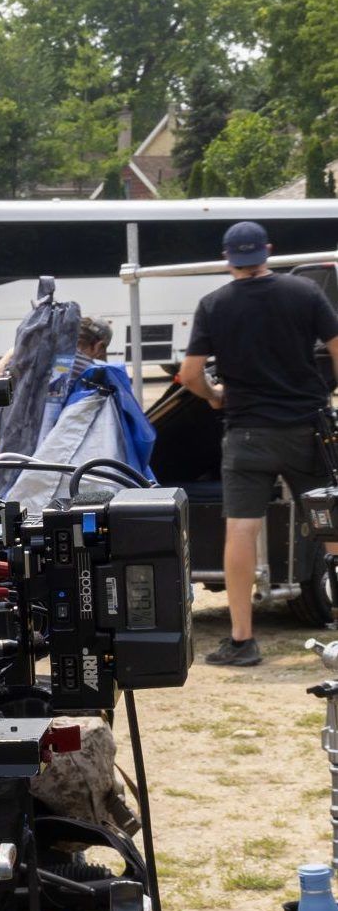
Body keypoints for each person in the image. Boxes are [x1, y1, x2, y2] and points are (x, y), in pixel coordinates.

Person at [176, 219, 338, 667]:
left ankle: (243, 639)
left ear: (228, 258)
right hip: (308, 429)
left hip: (246, 433)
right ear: (267, 250)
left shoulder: (214, 304)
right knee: (331, 527)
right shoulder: (305, 294)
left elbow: (190, 375)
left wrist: (216, 397)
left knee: (241, 529)